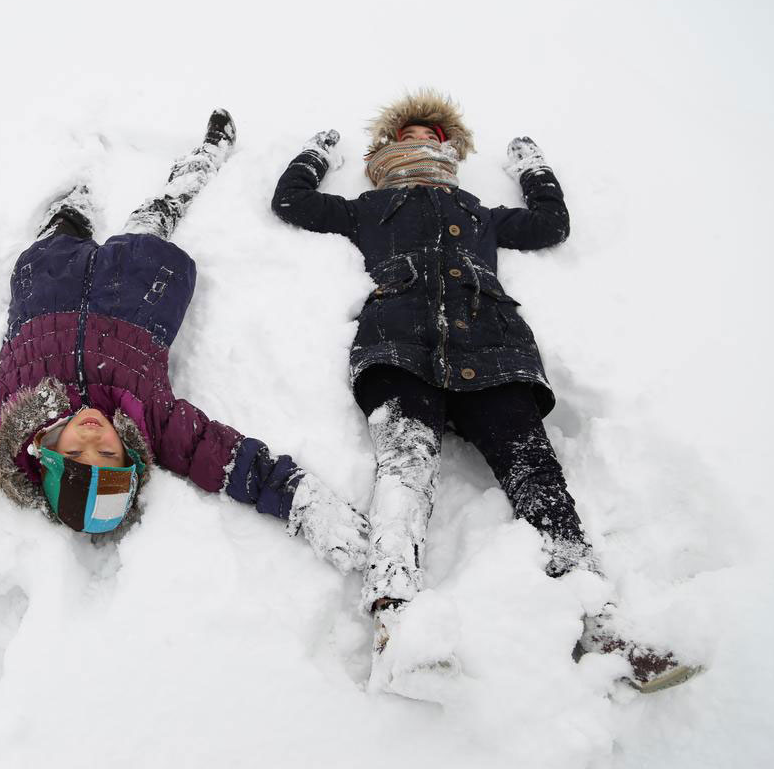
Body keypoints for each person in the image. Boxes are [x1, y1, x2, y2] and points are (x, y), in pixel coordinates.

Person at [0, 110, 369, 574]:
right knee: (155, 218)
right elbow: (233, 461)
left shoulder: (0, 417)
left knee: (59, 235)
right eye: (111, 456)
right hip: (136, 290)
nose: (94, 440)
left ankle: (73, 209)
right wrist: (305, 505)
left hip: (49, 289)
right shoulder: (154, 423)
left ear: (47, 457)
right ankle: (202, 161)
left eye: (78, 457)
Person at [271, 90, 700, 694]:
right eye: (413, 136)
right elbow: (291, 203)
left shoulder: (478, 211)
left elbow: (551, 226)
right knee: (404, 473)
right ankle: (395, 623)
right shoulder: (369, 208)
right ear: (389, 149)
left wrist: (535, 170)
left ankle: (601, 623)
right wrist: (315, 153)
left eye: (435, 138)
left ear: (450, 152)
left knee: (537, 474)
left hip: (494, 350)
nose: (425, 143)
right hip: (399, 348)